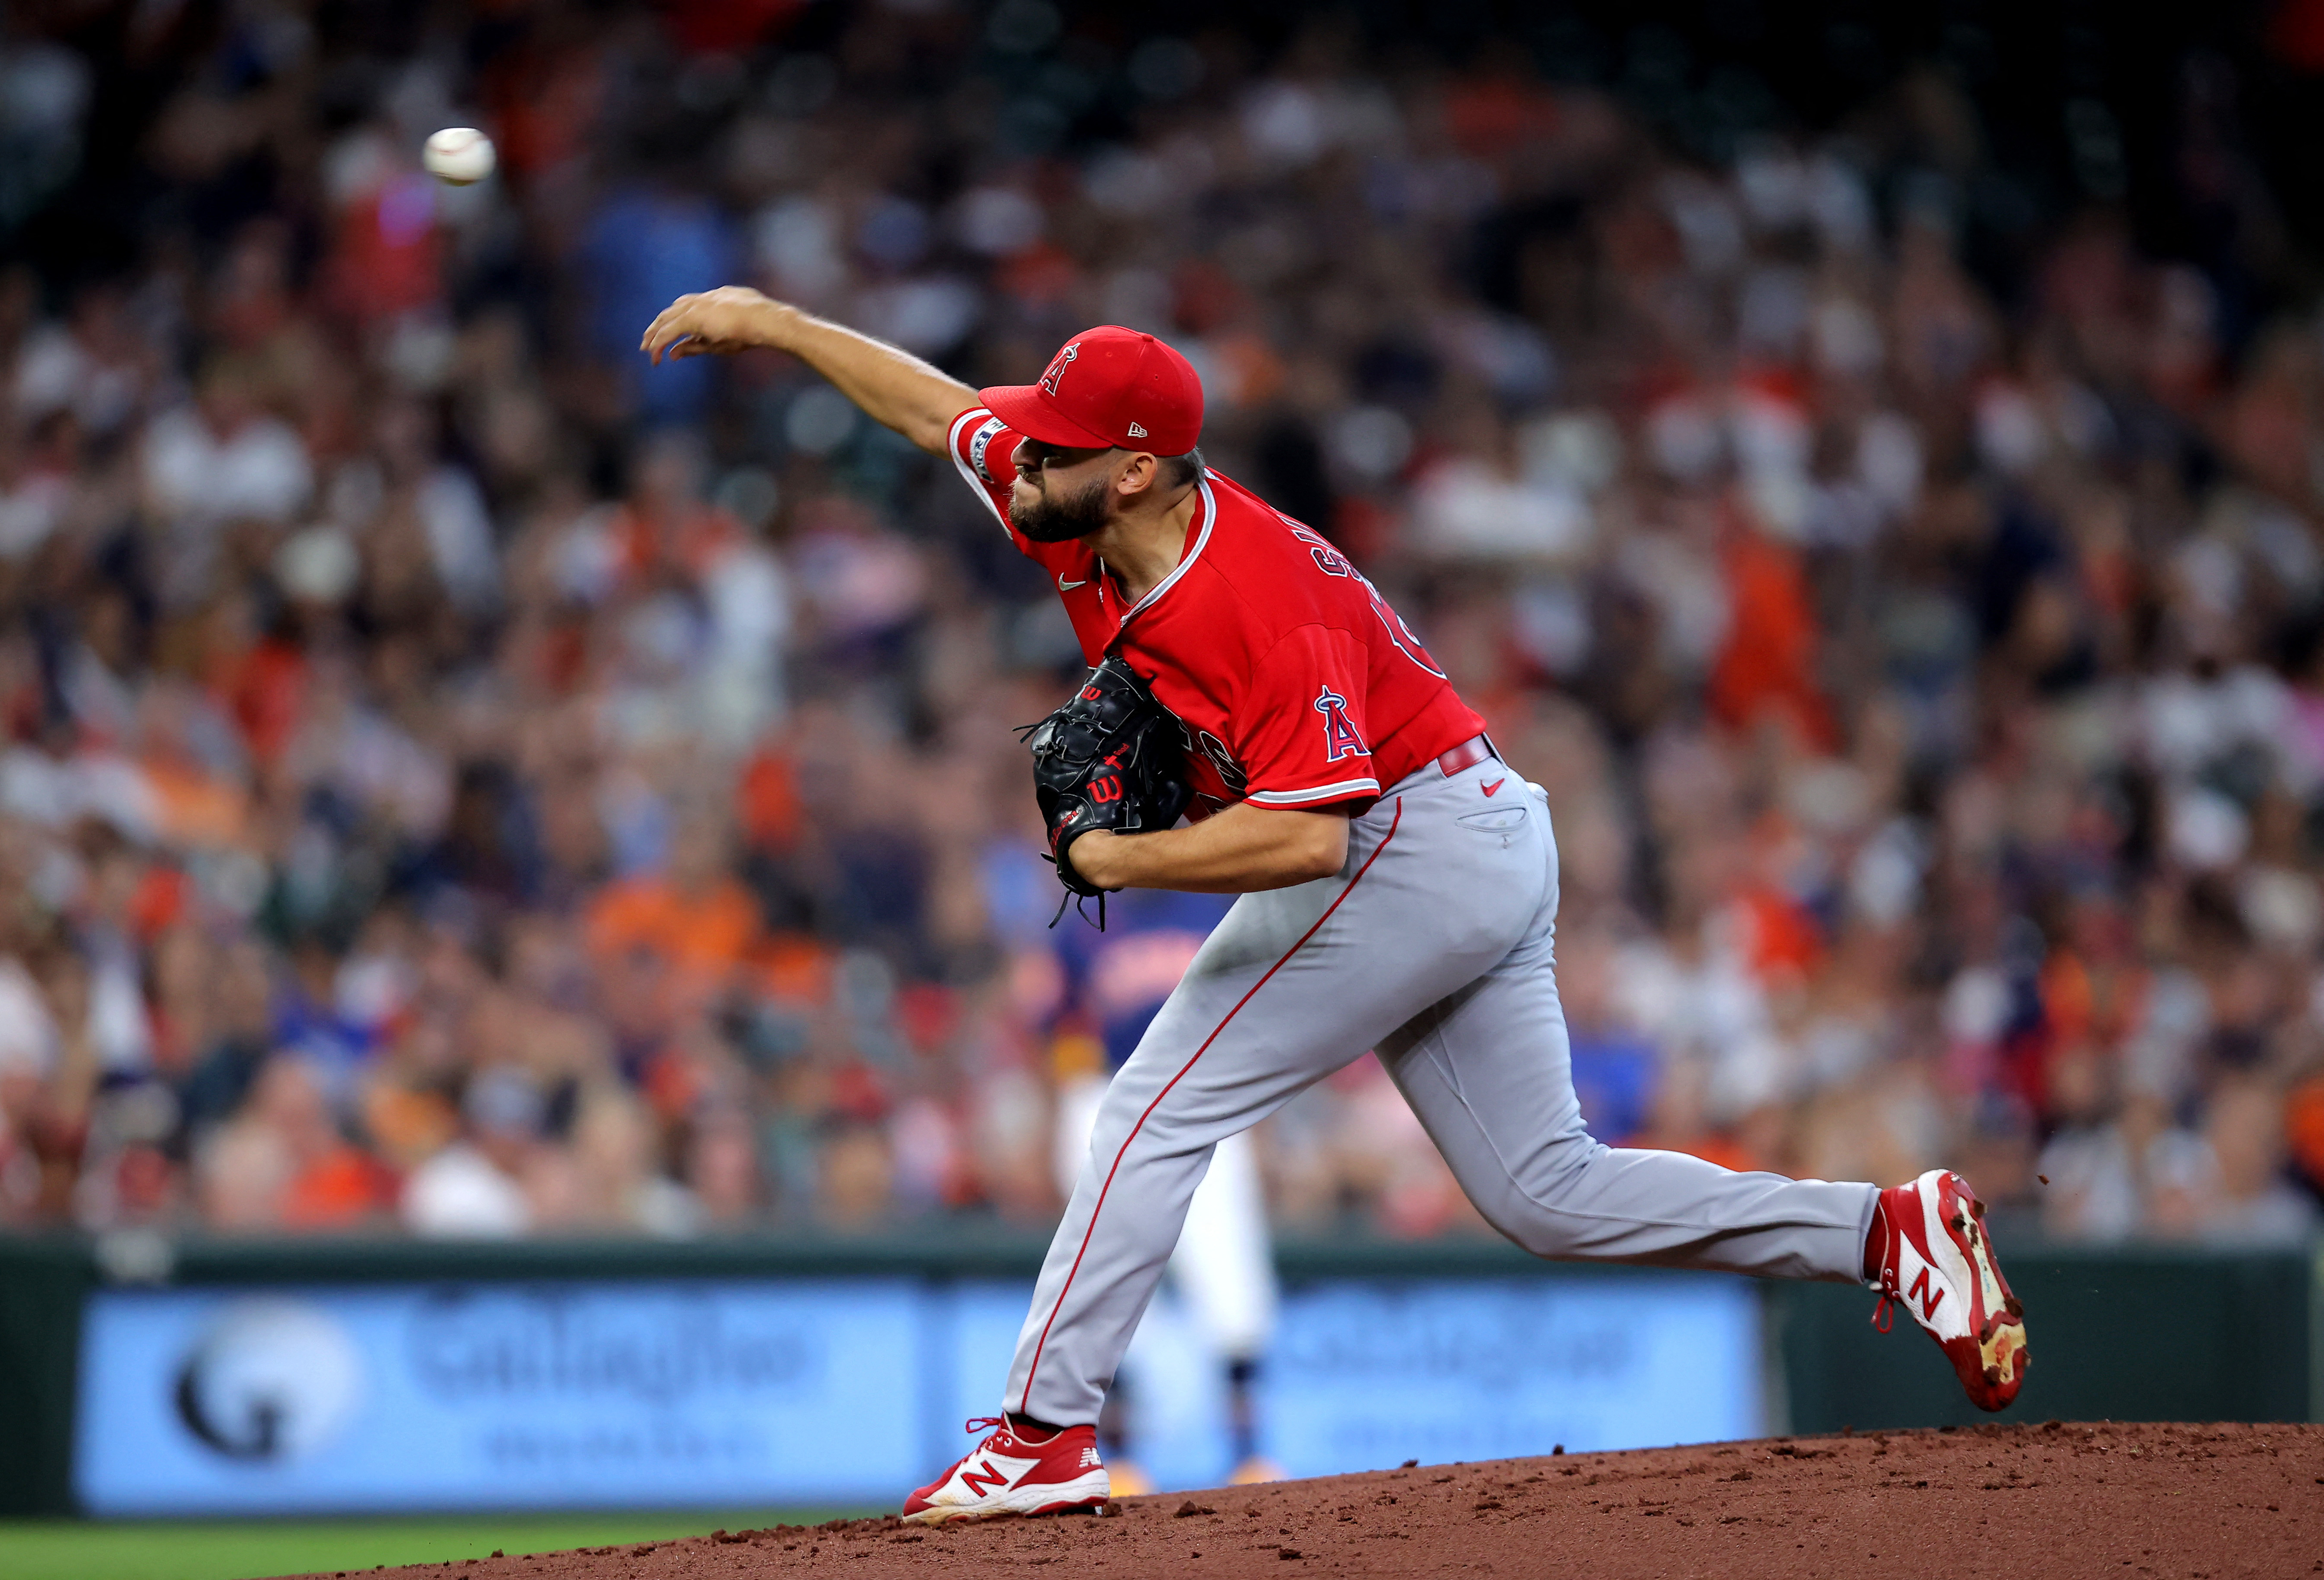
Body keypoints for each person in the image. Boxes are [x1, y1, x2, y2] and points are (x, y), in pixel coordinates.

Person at [638, 290, 2030, 1525]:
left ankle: (1044, 1439)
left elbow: (1309, 842)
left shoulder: (1250, 599)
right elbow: (941, 413)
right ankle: (1884, 1233)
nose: (1024, 456)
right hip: (1471, 829)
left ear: (1134, 468)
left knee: (1148, 1105)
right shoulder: (1079, 492)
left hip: (1410, 841)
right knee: (1546, 1191)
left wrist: (1122, 866)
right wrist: (779, 324)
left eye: (1054, 444)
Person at [1047, 884, 1279, 1491]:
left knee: (1232, 1282)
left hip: (1204, 1095)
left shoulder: (1214, 908)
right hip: (1111, 1097)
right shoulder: (1084, 919)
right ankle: (1119, 1460)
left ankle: (1248, 1455)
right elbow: (1056, 1029)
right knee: (1115, 1284)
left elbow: (1259, 1014)